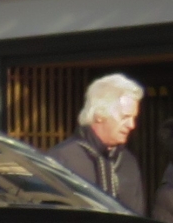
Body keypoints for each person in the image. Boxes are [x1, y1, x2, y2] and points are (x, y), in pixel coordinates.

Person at [49, 73, 147, 214]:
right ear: (99, 115)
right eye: (125, 117)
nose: (132, 125)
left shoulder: (128, 162)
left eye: (133, 117)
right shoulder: (62, 159)